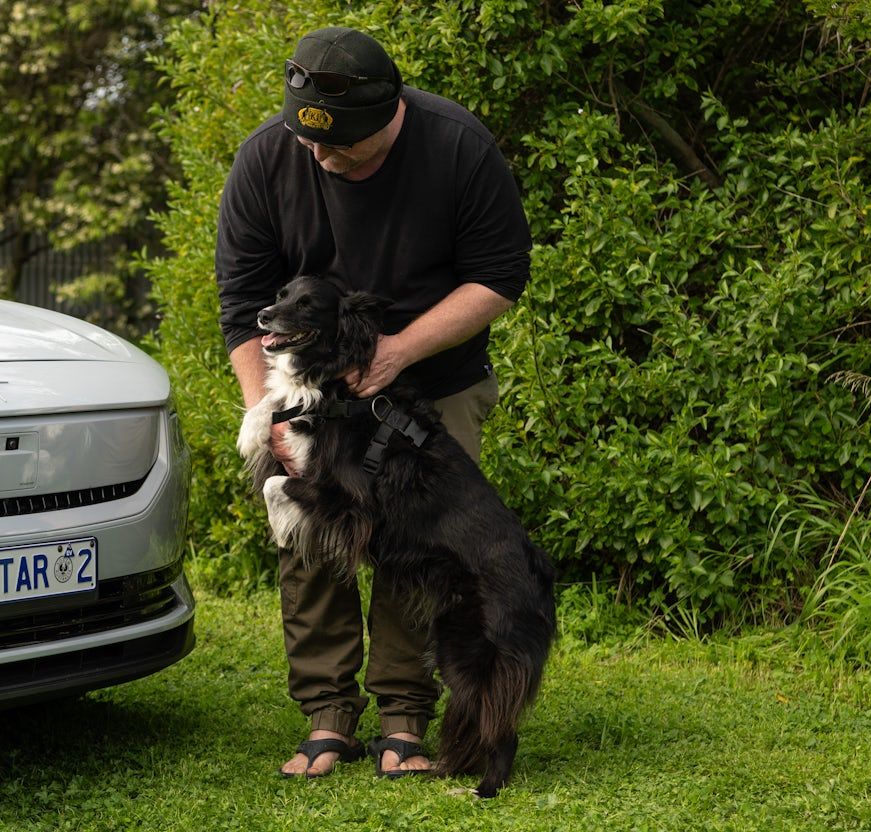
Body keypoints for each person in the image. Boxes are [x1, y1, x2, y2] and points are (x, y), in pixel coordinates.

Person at [215, 26, 532, 778]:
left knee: (423, 545)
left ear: (388, 115)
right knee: (307, 524)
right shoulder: (269, 156)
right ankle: (327, 716)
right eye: (308, 142)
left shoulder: (457, 147)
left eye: (338, 148)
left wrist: (398, 351)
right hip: (311, 384)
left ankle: (404, 720)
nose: (319, 157)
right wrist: (271, 416)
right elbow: (241, 304)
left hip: (435, 377)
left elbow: (499, 274)